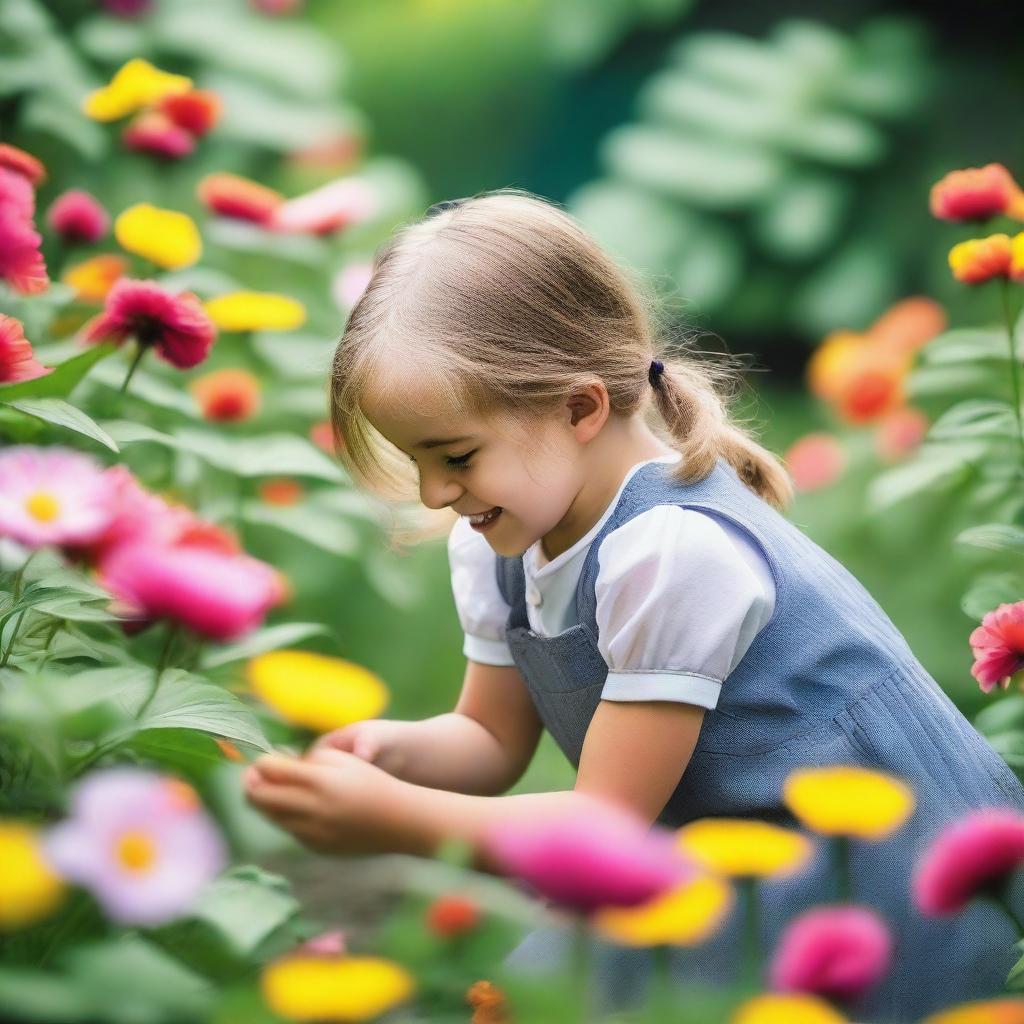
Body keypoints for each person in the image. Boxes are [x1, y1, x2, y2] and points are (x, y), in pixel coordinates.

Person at [243, 189, 1024, 1021]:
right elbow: (490, 739)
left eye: (457, 456)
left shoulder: (674, 555)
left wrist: (392, 819)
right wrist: (392, 755)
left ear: (580, 407)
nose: (435, 492)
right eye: (417, 459)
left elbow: (605, 829)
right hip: (731, 849)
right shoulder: (511, 537)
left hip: (873, 873)